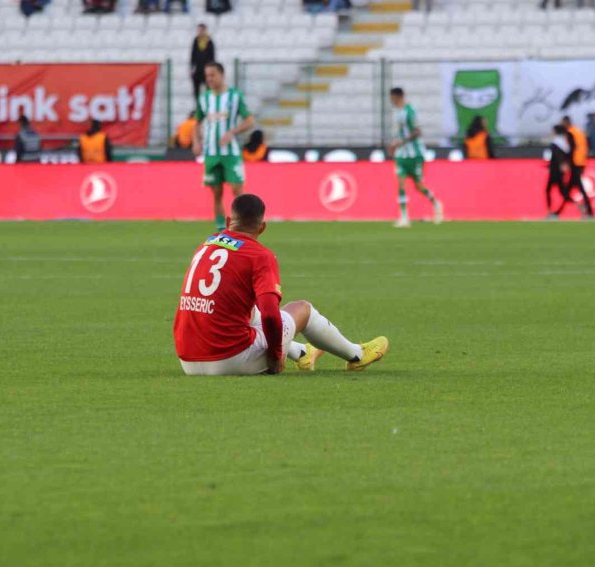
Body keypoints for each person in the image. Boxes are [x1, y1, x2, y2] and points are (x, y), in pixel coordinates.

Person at [173, 193, 389, 376]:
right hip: (229, 361)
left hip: (187, 360)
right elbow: (270, 314)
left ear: (229, 220)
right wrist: (276, 357)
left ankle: (303, 354)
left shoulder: (207, 244)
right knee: (302, 309)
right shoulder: (260, 255)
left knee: (251, 312)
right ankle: (357, 355)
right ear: (262, 227)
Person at [193, 62, 255, 232]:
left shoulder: (234, 96)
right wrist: (196, 142)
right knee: (216, 191)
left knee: (237, 188)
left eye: (212, 75)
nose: (209, 79)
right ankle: (221, 226)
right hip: (211, 153)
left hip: (230, 152)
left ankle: (244, 224)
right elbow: (197, 122)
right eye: (207, 76)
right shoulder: (205, 98)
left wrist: (232, 132)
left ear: (222, 75)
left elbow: (249, 120)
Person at [387, 87, 443, 228]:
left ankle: (436, 203)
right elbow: (401, 133)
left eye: (392, 97)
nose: (390, 100)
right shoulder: (398, 113)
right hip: (402, 155)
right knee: (400, 182)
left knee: (418, 186)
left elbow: (417, 132)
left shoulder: (409, 111)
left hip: (415, 154)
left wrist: (401, 142)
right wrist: (395, 144)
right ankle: (404, 217)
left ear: (397, 97)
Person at [561, 115, 595, 218]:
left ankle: (587, 211)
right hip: (581, 162)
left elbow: (572, 149)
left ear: (566, 123)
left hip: (575, 162)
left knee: (570, 189)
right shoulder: (578, 131)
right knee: (572, 188)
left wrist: (567, 163)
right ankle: (586, 210)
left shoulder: (571, 133)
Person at [545, 124, 575, 219]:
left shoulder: (556, 142)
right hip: (560, 170)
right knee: (562, 191)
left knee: (550, 190)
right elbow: (567, 155)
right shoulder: (564, 143)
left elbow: (556, 156)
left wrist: (558, 164)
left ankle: (551, 212)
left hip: (555, 170)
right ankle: (580, 207)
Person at [190, 24, 216, 105]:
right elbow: (192, 55)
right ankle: (198, 105)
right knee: (196, 89)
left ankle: (209, 104)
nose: (200, 32)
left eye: (201, 30)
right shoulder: (196, 41)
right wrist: (192, 67)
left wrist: (211, 68)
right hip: (198, 69)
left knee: (209, 87)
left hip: (206, 69)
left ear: (205, 30)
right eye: (199, 30)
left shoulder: (209, 41)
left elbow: (212, 56)